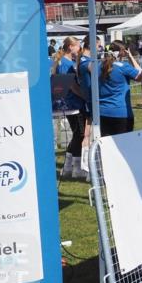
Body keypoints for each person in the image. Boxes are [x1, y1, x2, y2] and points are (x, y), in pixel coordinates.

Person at [80, 41, 142, 137]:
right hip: (121, 113)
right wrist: (130, 57)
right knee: (124, 146)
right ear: (122, 52)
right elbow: (140, 75)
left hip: (102, 112)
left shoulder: (96, 66)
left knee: (107, 146)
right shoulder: (123, 67)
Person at [51, 37, 88, 178]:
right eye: (78, 46)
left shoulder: (64, 62)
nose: (80, 49)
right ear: (70, 47)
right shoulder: (66, 64)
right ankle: (76, 168)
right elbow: (72, 85)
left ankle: (68, 167)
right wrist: (85, 96)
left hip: (71, 104)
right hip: (74, 104)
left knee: (77, 134)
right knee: (79, 134)